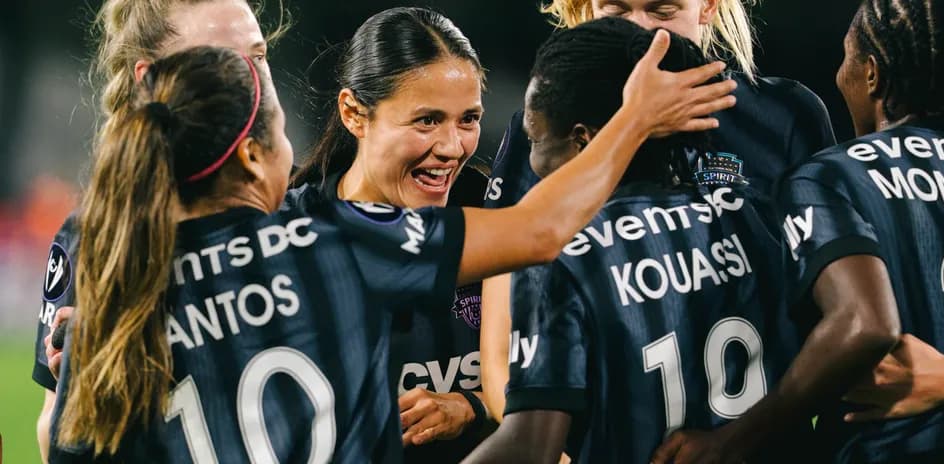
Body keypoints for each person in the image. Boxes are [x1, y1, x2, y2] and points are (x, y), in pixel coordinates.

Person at [46, 23, 738, 463]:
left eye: (467, 120)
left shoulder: (111, 311)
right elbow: (542, 229)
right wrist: (636, 119)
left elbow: (62, 445)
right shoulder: (330, 243)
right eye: (282, 131)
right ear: (255, 159)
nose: (452, 145)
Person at [464, 18, 810, 463]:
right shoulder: (755, 217)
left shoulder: (561, 257)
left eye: (535, 139)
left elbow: (531, 444)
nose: (531, 159)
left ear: (583, 139)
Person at [652, 0, 944, 462]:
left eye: (846, 58)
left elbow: (864, 325)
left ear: (872, 74)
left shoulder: (829, 177)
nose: (840, 76)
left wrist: (728, 443)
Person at [34, 1, 286, 461]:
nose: (254, 82)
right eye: (221, 60)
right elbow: (55, 434)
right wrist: (84, 381)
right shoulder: (93, 239)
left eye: (260, 57)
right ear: (151, 80)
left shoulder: (304, 217)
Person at [291, 8, 496, 460]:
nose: (451, 147)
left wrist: (472, 406)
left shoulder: (495, 215)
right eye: (426, 120)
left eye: (468, 119)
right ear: (353, 113)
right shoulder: (294, 238)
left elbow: (560, 372)